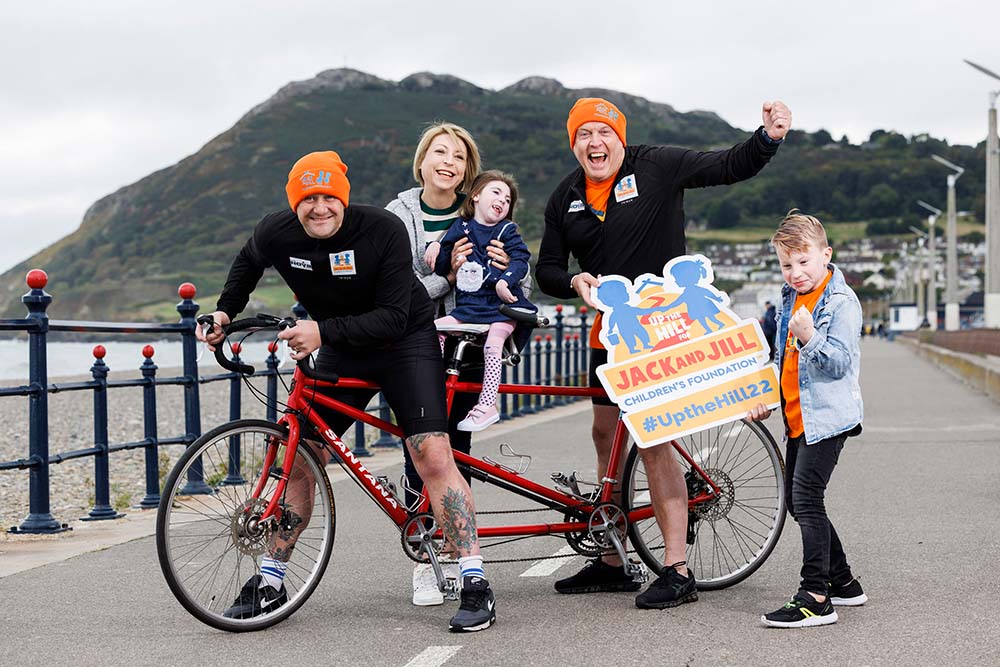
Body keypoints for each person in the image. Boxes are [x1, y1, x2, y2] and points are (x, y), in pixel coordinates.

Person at [198, 150, 496, 632]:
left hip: (404, 342)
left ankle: (475, 580)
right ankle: (271, 579)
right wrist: (224, 312)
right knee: (298, 457)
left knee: (432, 455)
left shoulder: (380, 229)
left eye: (329, 197)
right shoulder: (276, 231)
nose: (320, 207)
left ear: (344, 198)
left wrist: (320, 332)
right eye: (309, 199)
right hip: (339, 343)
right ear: (295, 203)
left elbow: (396, 316)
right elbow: (249, 261)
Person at [535, 96, 791, 609]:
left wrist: (767, 139)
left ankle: (676, 567)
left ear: (619, 138)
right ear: (574, 143)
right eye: (583, 135)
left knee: (653, 441)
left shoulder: (656, 164)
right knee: (605, 433)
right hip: (610, 334)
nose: (594, 143)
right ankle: (611, 558)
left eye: (603, 133)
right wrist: (573, 280)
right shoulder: (566, 195)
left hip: (664, 330)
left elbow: (725, 165)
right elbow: (546, 268)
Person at [386, 122, 515, 606]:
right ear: (421, 161)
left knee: (455, 451)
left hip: (470, 343)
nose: (448, 161)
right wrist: (449, 275)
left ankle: (458, 554)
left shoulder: (483, 214)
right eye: (439, 152)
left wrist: (501, 265)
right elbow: (397, 294)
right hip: (410, 343)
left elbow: (510, 275)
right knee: (417, 453)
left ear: (468, 171)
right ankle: (425, 562)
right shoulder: (397, 217)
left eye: (458, 156)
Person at [747, 210, 866, 628]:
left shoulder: (841, 302)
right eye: (786, 264)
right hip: (798, 419)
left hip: (828, 420)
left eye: (803, 262)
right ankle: (845, 582)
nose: (795, 272)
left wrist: (810, 335)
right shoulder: (789, 297)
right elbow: (784, 363)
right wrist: (765, 398)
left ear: (825, 254)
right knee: (799, 505)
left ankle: (816, 596)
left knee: (806, 501)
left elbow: (838, 364)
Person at [430, 170, 536, 431]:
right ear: (475, 195)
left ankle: (488, 404)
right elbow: (443, 265)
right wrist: (434, 246)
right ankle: (434, 389)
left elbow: (522, 260)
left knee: (493, 344)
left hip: (503, 307)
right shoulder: (461, 227)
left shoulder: (506, 230)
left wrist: (505, 280)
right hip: (469, 309)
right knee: (433, 330)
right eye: (496, 192)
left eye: (508, 199)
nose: (502, 200)